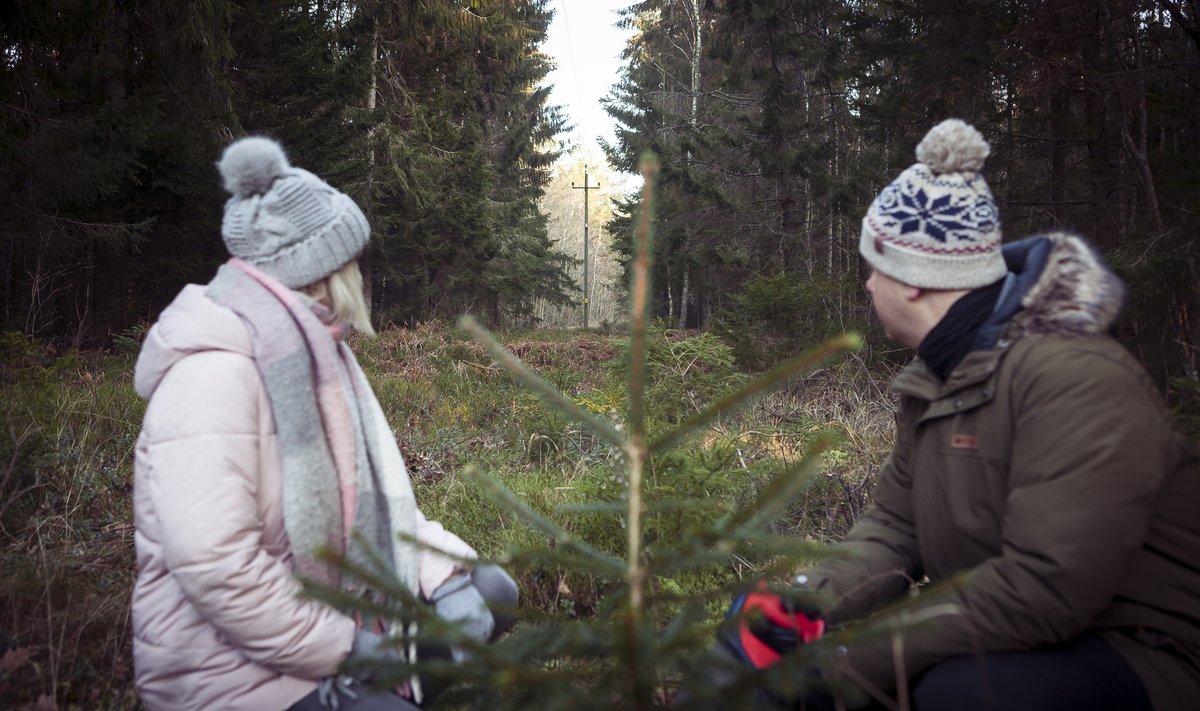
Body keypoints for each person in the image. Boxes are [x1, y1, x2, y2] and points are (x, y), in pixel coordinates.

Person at [716, 119, 1200, 710]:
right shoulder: (935, 381)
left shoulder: (1075, 378)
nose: (869, 286)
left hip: (1141, 654)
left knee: (959, 693)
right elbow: (895, 530)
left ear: (914, 281)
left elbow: (1044, 588)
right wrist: (801, 604)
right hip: (1015, 637)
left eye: (875, 267)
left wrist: (846, 655)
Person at [131, 136, 518, 711]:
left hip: (323, 622)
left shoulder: (316, 356)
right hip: (228, 668)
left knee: (492, 592)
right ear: (321, 272)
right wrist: (351, 648)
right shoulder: (212, 380)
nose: (359, 274)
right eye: (351, 260)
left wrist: (448, 575)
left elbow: (379, 510)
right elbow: (219, 570)